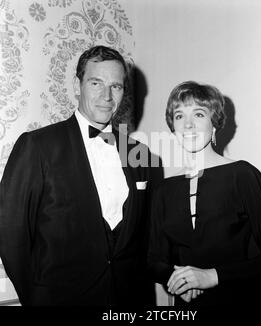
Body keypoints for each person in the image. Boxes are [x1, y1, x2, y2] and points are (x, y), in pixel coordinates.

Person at [0, 45, 161, 306]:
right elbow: (10, 233)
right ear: (78, 86)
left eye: (116, 86)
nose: (107, 96)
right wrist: (36, 299)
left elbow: (147, 236)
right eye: (96, 83)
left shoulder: (140, 154)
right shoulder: (38, 146)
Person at [148, 81, 261, 306]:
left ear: (214, 123)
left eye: (198, 114)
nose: (188, 124)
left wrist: (212, 276)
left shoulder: (242, 175)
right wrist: (177, 281)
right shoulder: (163, 190)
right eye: (179, 116)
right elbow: (154, 261)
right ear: (172, 127)